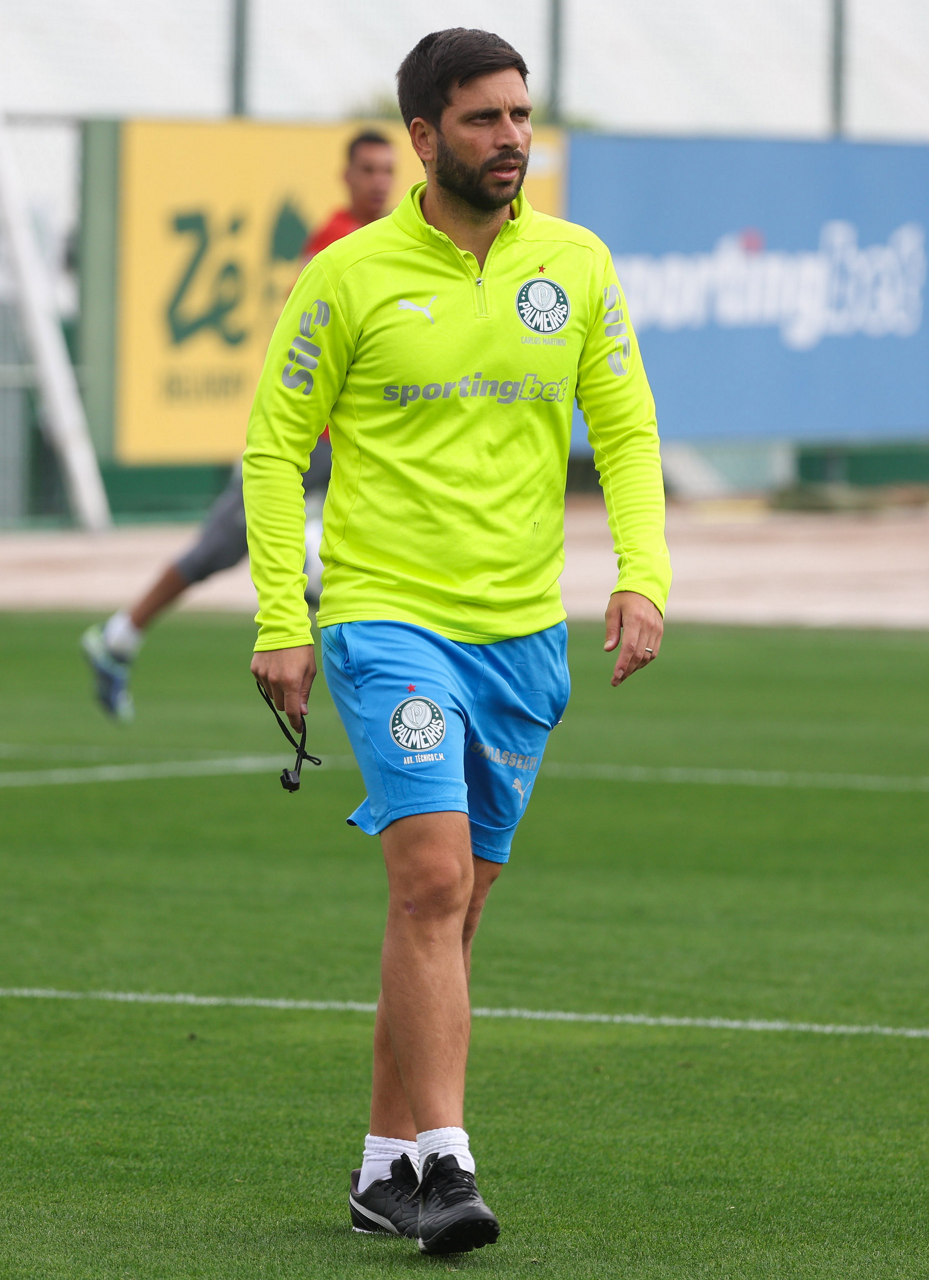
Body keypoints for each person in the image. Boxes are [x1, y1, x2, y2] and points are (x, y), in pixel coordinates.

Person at [245, 28, 671, 1257]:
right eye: (483, 119)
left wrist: (640, 576)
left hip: (522, 637)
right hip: (387, 621)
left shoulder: (576, 265)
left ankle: (383, 1164)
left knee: (454, 907)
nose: (511, 138)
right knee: (429, 879)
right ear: (424, 135)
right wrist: (283, 616)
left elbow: (625, 430)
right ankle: (446, 1164)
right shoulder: (347, 276)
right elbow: (273, 446)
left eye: (521, 115)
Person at [81, 131, 396, 722]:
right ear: (347, 176)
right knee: (220, 548)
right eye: (369, 169)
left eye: (387, 170)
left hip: (356, 443)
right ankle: (118, 638)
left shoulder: (391, 243)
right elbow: (300, 341)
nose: (380, 181)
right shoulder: (335, 243)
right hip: (313, 442)